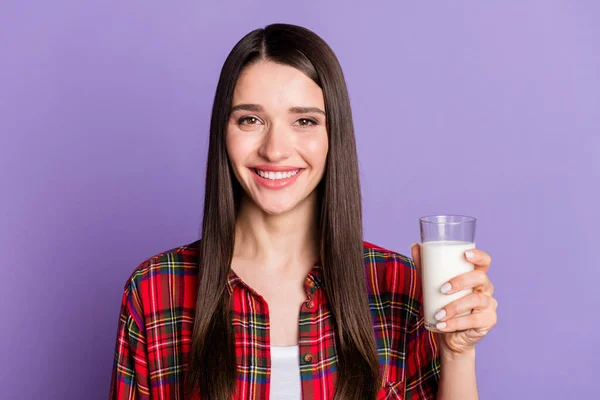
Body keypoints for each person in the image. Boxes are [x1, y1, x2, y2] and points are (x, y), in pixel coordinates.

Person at [109, 23, 497, 400]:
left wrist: (457, 353)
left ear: (334, 136)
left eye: (304, 120)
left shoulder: (398, 285)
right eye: (251, 119)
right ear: (223, 133)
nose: (275, 149)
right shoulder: (155, 290)